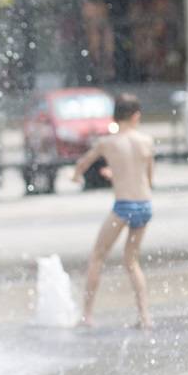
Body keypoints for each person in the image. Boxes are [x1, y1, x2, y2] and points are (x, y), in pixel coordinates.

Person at [73, 93, 154, 329]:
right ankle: (144, 316)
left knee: (98, 256)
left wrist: (76, 176)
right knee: (132, 261)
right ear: (136, 116)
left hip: (123, 206)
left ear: (115, 117)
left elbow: (83, 164)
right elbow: (148, 177)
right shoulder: (146, 141)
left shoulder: (107, 143)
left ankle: (87, 315)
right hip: (145, 205)